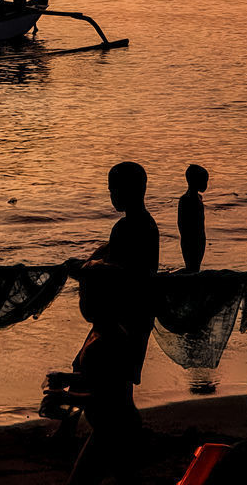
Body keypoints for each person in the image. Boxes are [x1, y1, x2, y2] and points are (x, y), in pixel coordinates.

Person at [41, 259, 142, 484]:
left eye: (87, 296)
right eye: (80, 295)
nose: (82, 303)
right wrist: (68, 378)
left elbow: (107, 397)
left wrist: (65, 397)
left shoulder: (108, 340)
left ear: (106, 300)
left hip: (116, 430)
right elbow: (100, 379)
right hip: (113, 428)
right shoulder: (101, 331)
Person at [94, 161, 159, 384]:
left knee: (112, 376)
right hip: (142, 311)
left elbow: (126, 272)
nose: (111, 194)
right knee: (121, 377)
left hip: (126, 314)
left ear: (127, 190)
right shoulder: (147, 223)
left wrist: (94, 268)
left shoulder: (125, 227)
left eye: (113, 189)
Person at [178, 164, 209, 274]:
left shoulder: (199, 198)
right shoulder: (185, 200)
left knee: (196, 266)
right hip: (190, 239)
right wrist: (186, 238)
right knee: (192, 265)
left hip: (200, 237)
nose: (206, 185)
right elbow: (181, 223)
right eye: (204, 181)